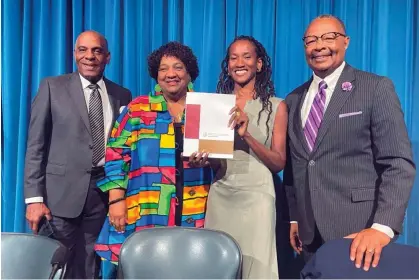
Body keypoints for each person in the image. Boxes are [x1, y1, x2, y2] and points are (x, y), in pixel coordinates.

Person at [284, 14, 415, 272]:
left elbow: (398, 163)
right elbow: (296, 167)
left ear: (346, 42)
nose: (319, 45)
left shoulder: (375, 88)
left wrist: (382, 227)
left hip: (361, 232)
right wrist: (295, 218)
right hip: (310, 235)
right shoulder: (293, 99)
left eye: (329, 37)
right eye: (311, 40)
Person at [24, 30, 132, 278]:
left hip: (101, 197)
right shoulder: (52, 87)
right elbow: (35, 146)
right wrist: (34, 199)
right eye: (83, 50)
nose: (89, 56)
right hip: (57, 198)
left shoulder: (122, 94)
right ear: (74, 54)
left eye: (97, 51)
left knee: (89, 267)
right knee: (51, 266)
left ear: (108, 57)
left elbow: (123, 147)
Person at [94, 42, 212, 264]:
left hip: (196, 208)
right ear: (155, 75)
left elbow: (221, 162)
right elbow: (116, 154)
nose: (171, 74)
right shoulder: (138, 109)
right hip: (147, 207)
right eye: (163, 68)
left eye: (178, 67)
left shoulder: (206, 108)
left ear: (189, 72)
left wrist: (210, 161)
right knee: (148, 267)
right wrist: (115, 200)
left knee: (189, 268)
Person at [202, 35, 288, 279]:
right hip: (221, 194)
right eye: (233, 57)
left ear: (259, 64)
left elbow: (278, 163)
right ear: (227, 65)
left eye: (247, 56)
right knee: (217, 266)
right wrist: (204, 159)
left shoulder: (276, 106)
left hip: (257, 196)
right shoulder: (215, 105)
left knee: (257, 268)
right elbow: (216, 159)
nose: (239, 62)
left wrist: (247, 135)